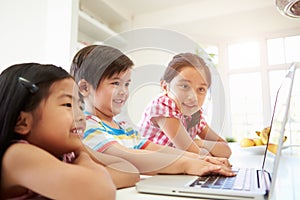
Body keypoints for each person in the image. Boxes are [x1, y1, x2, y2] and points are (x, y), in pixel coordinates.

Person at [70, 44, 235, 176]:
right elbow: (125, 156)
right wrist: (186, 164)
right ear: (84, 87)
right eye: (115, 83)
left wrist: (201, 159)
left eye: (126, 84)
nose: (123, 92)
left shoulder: (123, 128)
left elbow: (152, 148)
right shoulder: (86, 125)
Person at [0, 63, 137, 199]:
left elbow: (130, 171)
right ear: (23, 122)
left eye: (80, 106)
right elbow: (102, 191)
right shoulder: (19, 155)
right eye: (67, 104)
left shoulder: (65, 154)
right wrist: (84, 159)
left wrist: (86, 169)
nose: (81, 116)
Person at [138, 53, 232, 158]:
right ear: (165, 86)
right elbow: (197, 155)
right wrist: (201, 149)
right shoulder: (162, 106)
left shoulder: (195, 115)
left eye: (201, 89)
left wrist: (198, 143)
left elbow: (226, 150)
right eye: (184, 86)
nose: (193, 97)